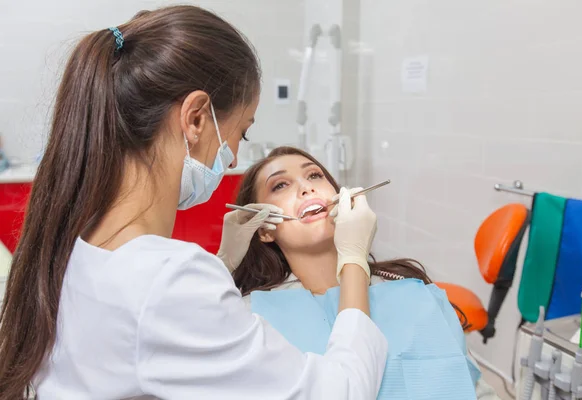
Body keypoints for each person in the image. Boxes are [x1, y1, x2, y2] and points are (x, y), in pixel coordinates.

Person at [0, 6, 388, 399]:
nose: (234, 157)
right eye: (243, 132)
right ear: (197, 119)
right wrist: (353, 260)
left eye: (315, 175)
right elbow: (341, 392)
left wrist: (222, 264)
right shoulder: (171, 281)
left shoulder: (76, 243)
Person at [232, 146, 501, 400]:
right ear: (265, 228)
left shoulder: (412, 291)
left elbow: (472, 386)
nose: (306, 187)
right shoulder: (250, 318)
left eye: (314, 175)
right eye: (281, 185)